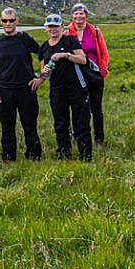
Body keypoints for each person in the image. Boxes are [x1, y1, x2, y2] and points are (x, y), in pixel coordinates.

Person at [35, 13, 92, 161]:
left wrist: (66, 55)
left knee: (80, 122)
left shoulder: (70, 41)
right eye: (50, 26)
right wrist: (44, 72)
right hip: (57, 89)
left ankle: (85, 155)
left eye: (56, 26)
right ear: (45, 28)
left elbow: (83, 59)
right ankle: (64, 153)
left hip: (77, 88)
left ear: (62, 27)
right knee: (60, 123)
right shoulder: (43, 48)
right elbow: (43, 72)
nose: (53, 29)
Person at [0, 8, 42, 161]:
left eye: (11, 20)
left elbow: (43, 54)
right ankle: (8, 156)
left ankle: (33, 155)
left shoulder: (25, 38)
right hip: (4, 91)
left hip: (26, 89)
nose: (8, 23)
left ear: (17, 21)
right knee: (7, 128)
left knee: (30, 126)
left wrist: (41, 77)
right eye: (5, 20)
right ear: (0, 22)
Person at [67, 3, 110, 144]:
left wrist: (102, 70)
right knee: (77, 108)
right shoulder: (67, 33)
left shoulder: (95, 31)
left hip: (94, 74)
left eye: (81, 13)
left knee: (96, 108)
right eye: (76, 13)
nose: (78, 16)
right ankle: (78, 135)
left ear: (86, 15)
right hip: (76, 75)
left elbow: (104, 53)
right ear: (72, 16)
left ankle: (99, 137)